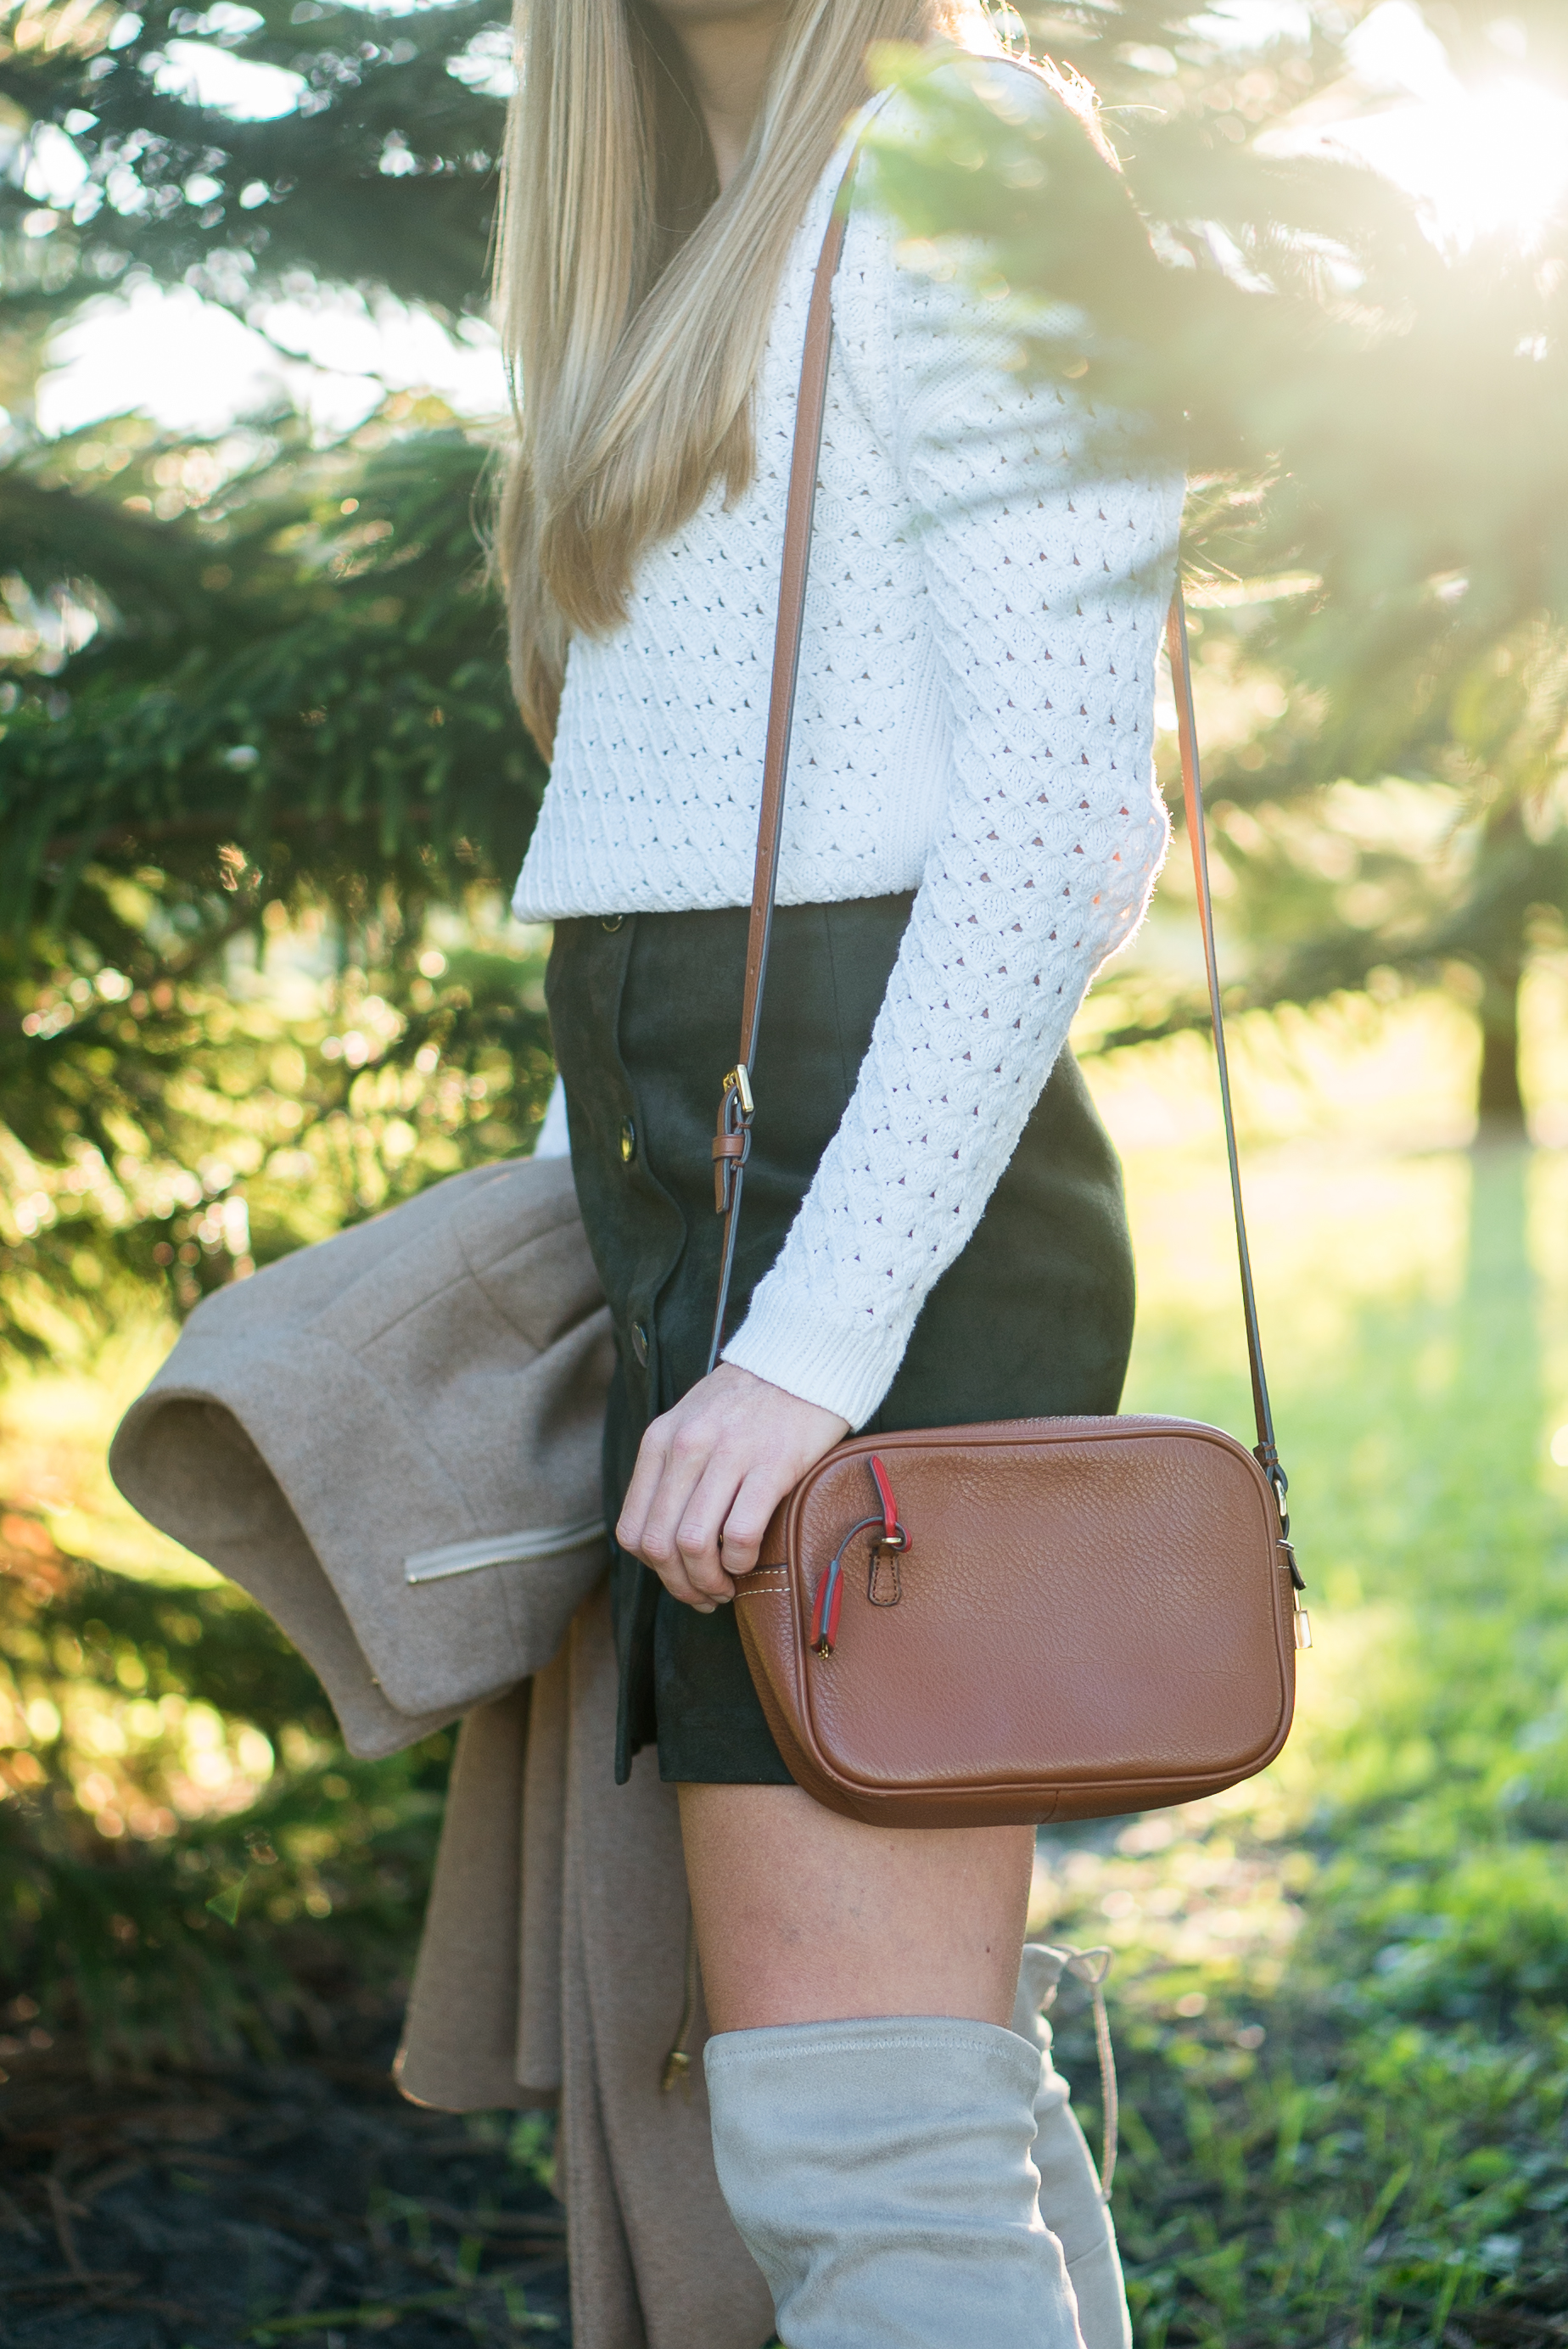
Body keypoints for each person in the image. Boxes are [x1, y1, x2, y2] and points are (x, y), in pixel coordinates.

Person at [496, 2, 1180, 2340]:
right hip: (735, 1196)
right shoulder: (682, 221)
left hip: (864, 1229)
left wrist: (803, 1347)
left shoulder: (965, 148)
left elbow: (1071, 812)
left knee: (853, 2138)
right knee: (905, 2125)